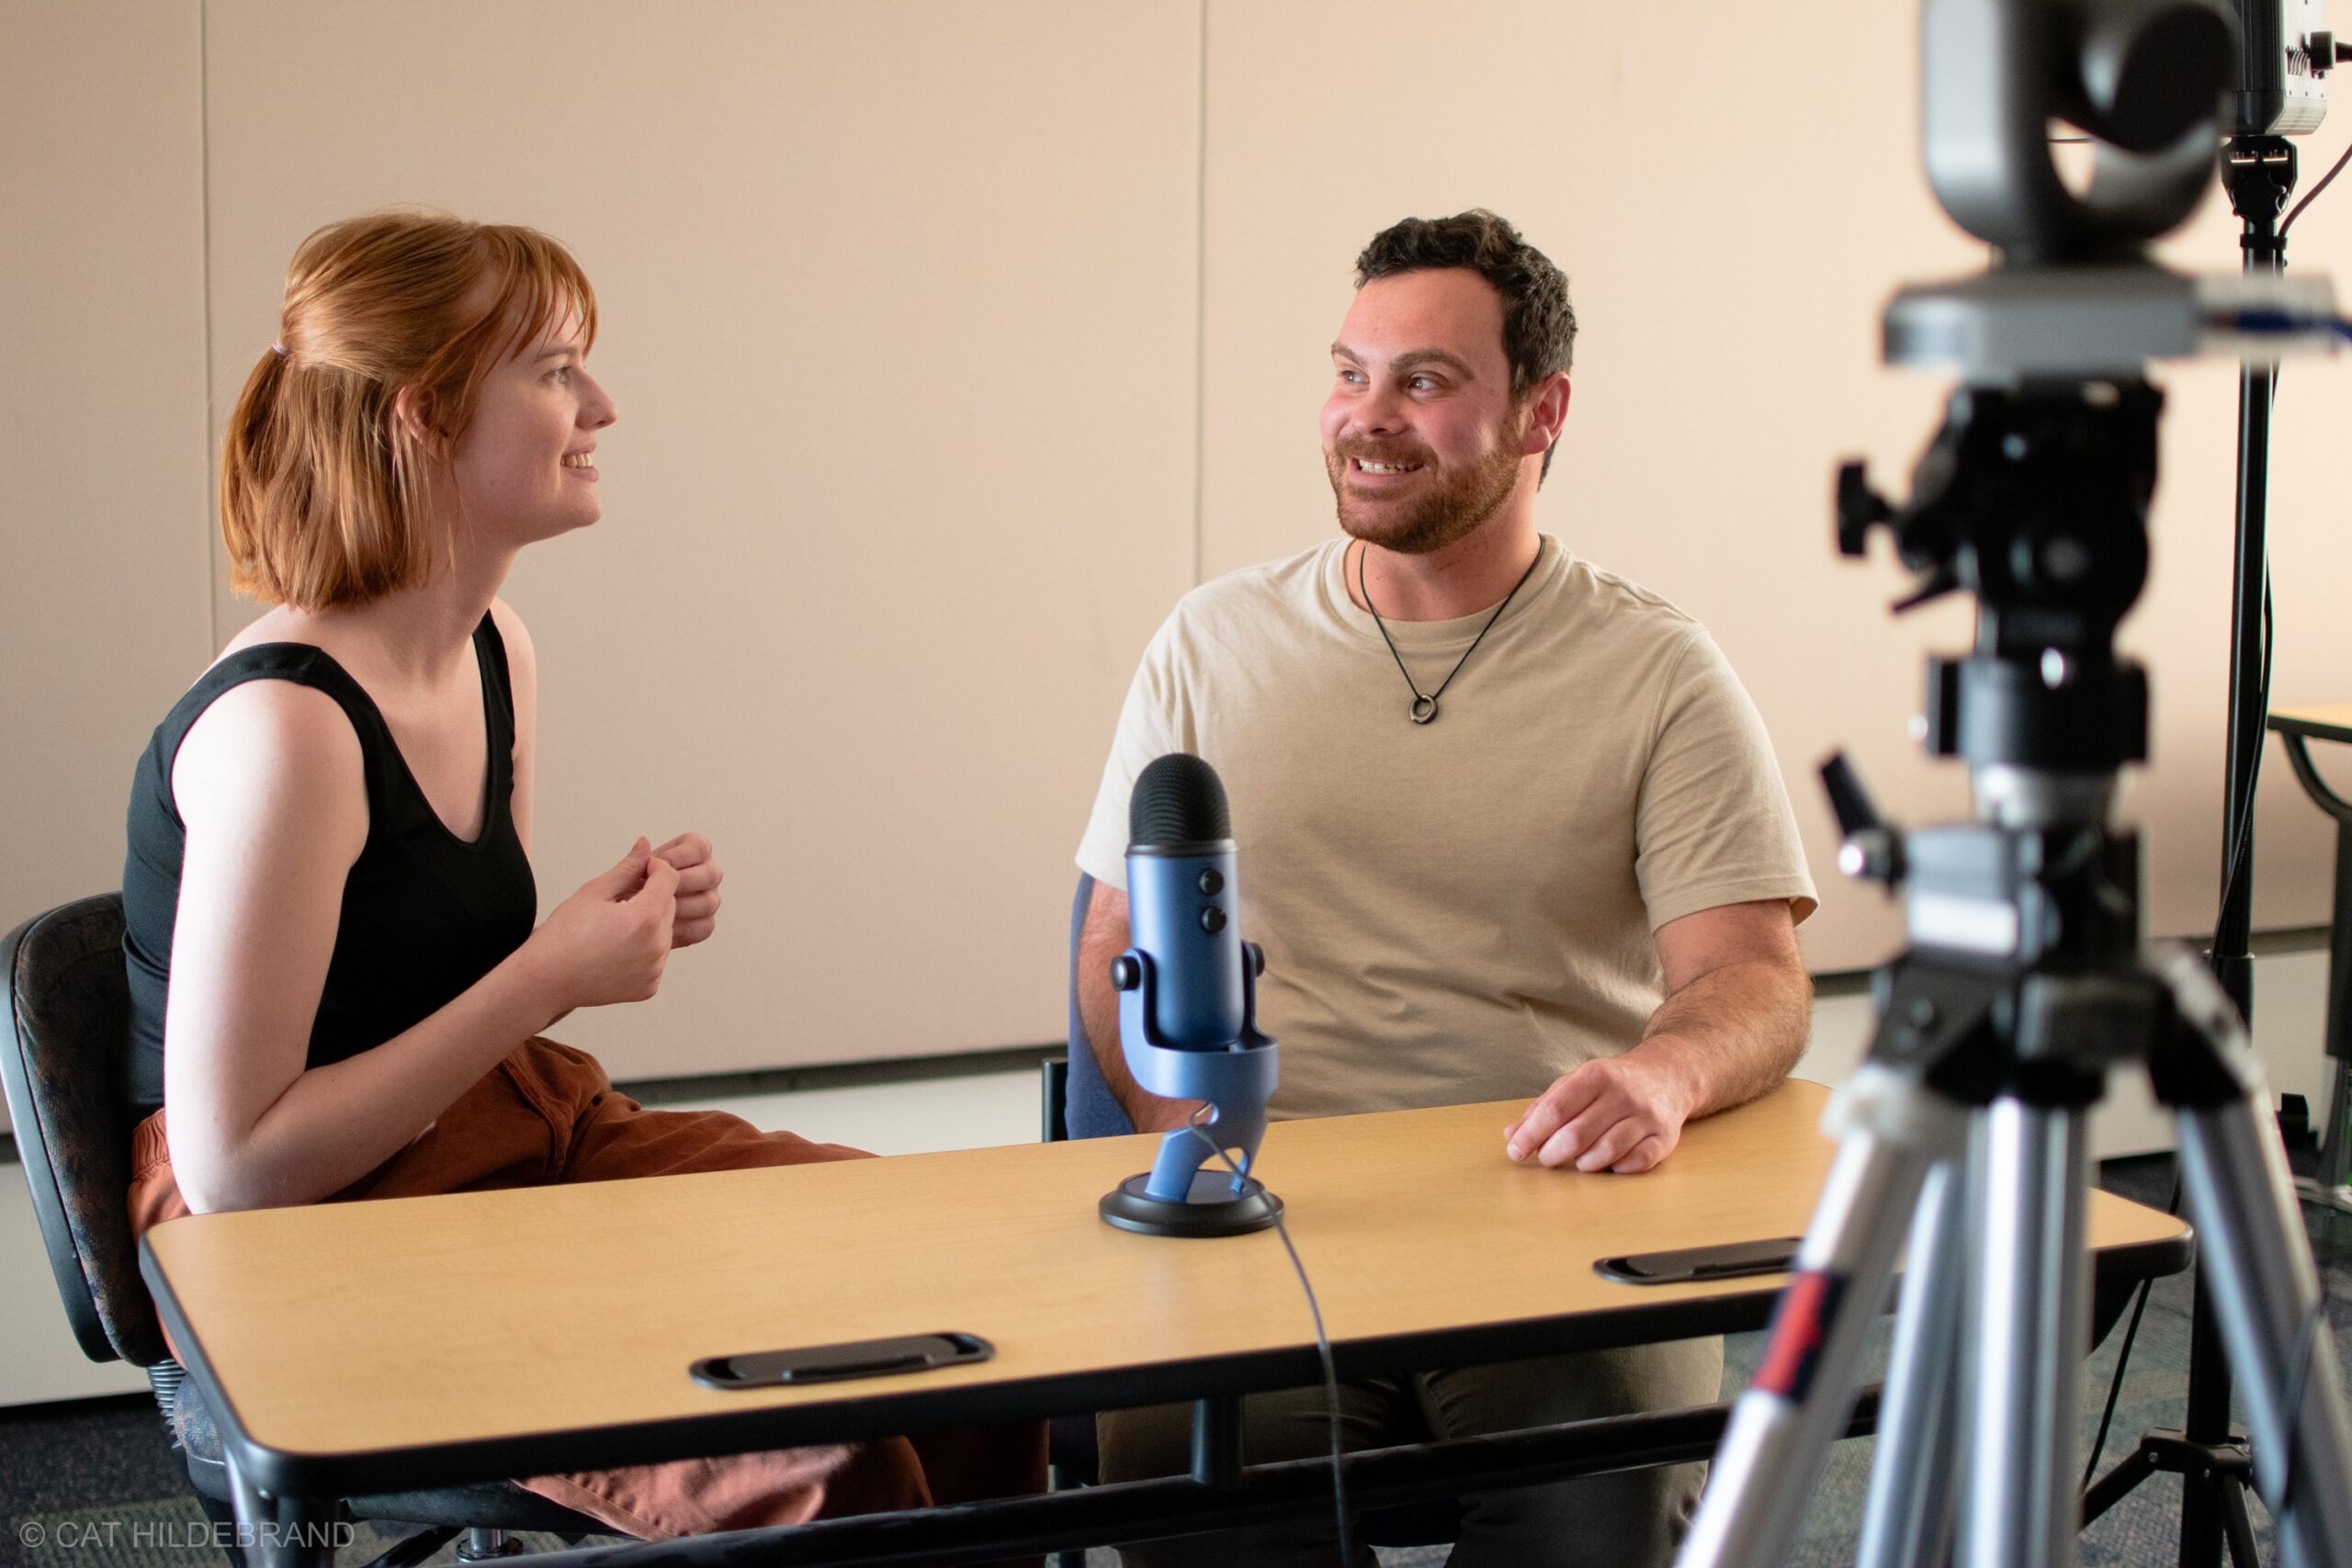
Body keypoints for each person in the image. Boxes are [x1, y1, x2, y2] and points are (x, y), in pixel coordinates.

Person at [119, 209, 1041, 1540]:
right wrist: (552, 975)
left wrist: (603, 939)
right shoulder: (285, 731)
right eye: (555, 370)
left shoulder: (497, 644)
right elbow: (240, 1173)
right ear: (426, 420)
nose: (599, 402)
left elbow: (446, 977)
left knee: (953, 1296)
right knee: (830, 1473)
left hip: (512, 1143)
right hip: (307, 1251)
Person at [1073, 209, 1817, 1566]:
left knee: (1609, 1495)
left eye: (1424, 381)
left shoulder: (1656, 670)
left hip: (1554, 1206)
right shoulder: (1213, 640)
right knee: (1193, 1493)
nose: (1368, 417)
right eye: (1350, 373)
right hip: (1267, 1198)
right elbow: (1116, 931)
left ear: (1544, 412)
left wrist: (1663, 1077)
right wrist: (1170, 1115)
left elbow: (1751, 979)